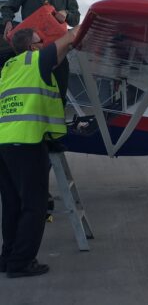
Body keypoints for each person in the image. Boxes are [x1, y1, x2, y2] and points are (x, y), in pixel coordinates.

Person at [0, 25, 80, 278]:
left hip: (4, 143)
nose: (44, 44)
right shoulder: (36, 60)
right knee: (35, 206)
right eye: (40, 41)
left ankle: (8, 257)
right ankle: (21, 262)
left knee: (12, 204)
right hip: (28, 141)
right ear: (32, 46)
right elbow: (71, 37)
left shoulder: (8, 68)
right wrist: (76, 20)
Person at [1, 0, 80, 105]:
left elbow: (76, 18)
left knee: (59, 95)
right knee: (27, 95)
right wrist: (8, 21)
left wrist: (66, 13)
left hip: (57, 52)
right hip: (30, 52)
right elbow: (8, 7)